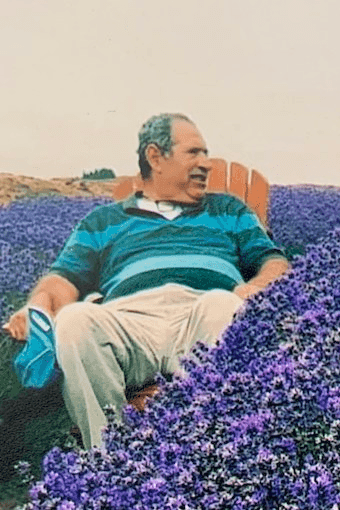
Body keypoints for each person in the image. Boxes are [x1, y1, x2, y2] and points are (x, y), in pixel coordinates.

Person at [2, 113, 289, 449]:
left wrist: (256, 286)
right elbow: (63, 278)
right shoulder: (103, 221)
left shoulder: (228, 209)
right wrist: (39, 306)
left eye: (206, 154)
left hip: (202, 312)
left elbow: (273, 260)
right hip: (130, 322)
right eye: (193, 153)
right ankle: (110, 458)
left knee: (225, 306)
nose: (206, 164)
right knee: (74, 321)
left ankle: (211, 453)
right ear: (156, 157)